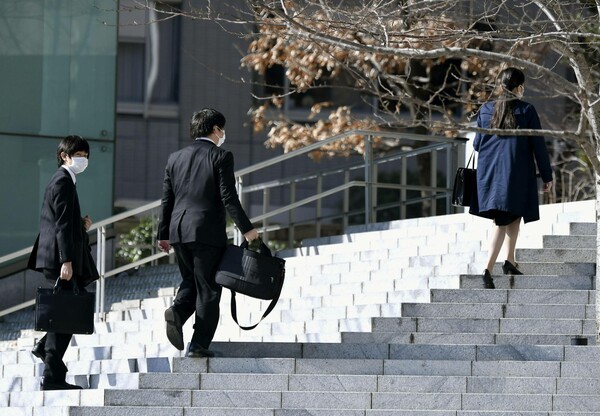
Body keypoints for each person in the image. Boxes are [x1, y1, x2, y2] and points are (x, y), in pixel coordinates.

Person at [157, 108, 258, 357]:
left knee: (191, 281)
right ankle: (199, 344)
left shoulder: (175, 158)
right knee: (210, 289)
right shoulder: (221, 156)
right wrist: (247, 229)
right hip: (205, 232)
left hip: (179, 231)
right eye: (222, 129)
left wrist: (163, 233)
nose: (223, 134)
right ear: (216, 129)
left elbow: (166, 200)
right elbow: (228, 196)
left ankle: (178, 312)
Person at [470, 67, 553, 289]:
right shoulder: (526, 110)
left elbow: (477, 144)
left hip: (490, 175)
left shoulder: (486, 109)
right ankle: (488, 269)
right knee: (502, 221)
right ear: (518, 87)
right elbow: (538, 145)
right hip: (515, 174)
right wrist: (547, 174)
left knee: (513, 215)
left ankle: (510, 260)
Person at [27, 135, 94, 390]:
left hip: (57, 255)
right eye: (78, 154)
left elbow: (63, 221)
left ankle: (45, 350)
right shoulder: (64, 181)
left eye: (86, 156)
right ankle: (52, 376)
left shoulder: (65, 180)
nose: (83, 160)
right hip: (60, 258)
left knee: (65, 313)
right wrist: (66, 260)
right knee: (65, 315)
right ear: (64, 156)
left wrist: (81, 225)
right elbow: (62, 225)